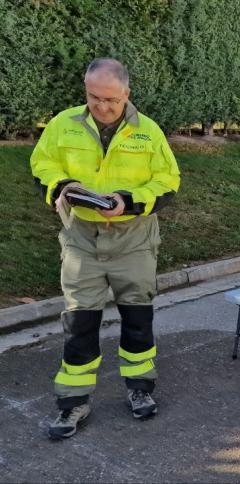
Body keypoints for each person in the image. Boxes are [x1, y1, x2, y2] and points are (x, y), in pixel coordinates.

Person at [30, 58, 181, 439]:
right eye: (94, 97)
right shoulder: (63, 124)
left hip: (134, 237)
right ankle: (73, 403)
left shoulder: (148, 132)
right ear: (85, 90)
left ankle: (140, 388)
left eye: (111, 99)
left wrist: (129, 200)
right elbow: (40, 163)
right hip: (82, 236)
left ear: (126, 93)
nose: (102, 106)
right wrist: (60, 185)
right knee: (79, 323)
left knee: (137, 318)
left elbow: (168, 180)